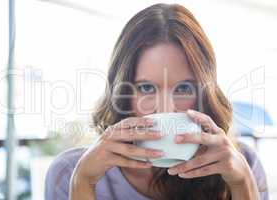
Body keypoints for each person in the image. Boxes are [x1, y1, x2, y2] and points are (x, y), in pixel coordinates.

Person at [45, 3, 269, 200]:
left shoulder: (241, 164)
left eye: (183, 88)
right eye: (146, 88)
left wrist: (242, 185)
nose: (165, 108)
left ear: (205, 95)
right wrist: (83, 184)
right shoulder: (72, 172)